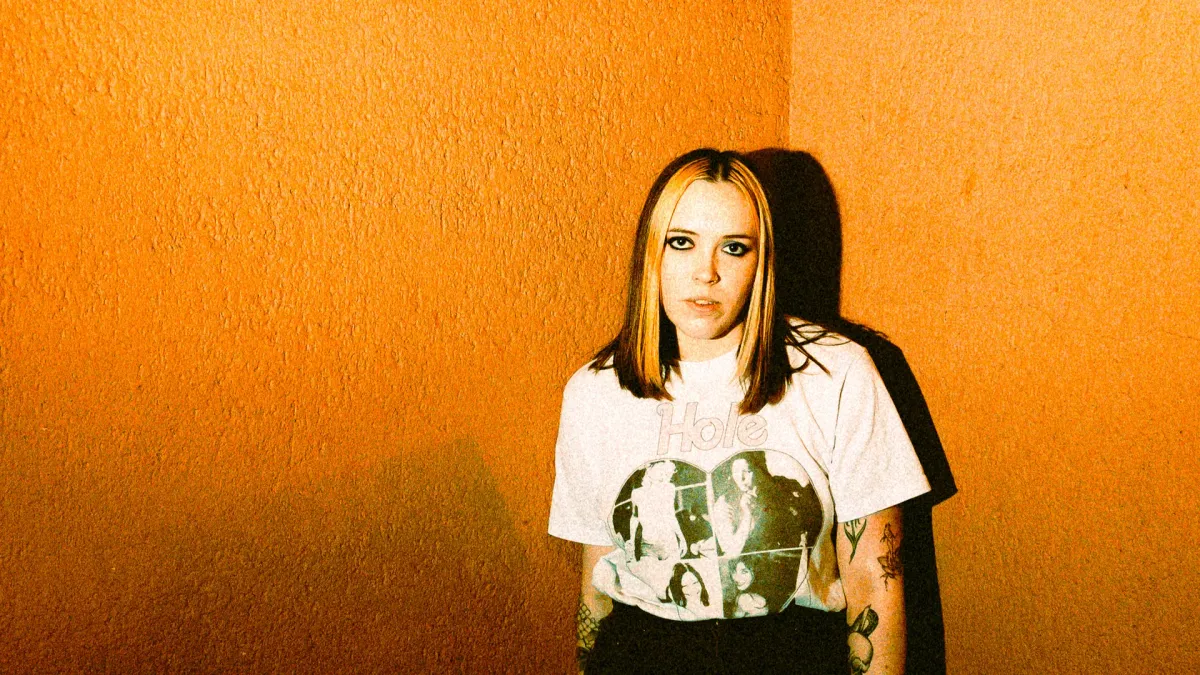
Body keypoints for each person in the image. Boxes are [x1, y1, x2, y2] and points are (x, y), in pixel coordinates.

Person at [548, 149, 930, 674]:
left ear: (761, 261)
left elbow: (874, 581)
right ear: (651, 252)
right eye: (681, 242)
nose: (706, 273)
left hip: (790, 657)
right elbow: (599, 576)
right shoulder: (595, 391)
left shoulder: (837, 373)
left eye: (733, 248)